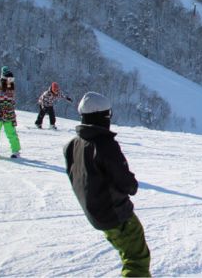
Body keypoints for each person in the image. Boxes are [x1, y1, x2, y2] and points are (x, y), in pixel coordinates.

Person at [64, 92, 151, 277]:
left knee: (128, 251)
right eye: (108, 114)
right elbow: (126, 181)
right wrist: (132, 185)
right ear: (102, 116)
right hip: (116, 213)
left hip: (96, 213)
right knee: (136, 258)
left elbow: (76, 176)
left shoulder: (72, 145)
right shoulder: (104, 145)